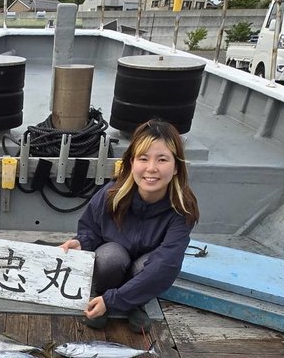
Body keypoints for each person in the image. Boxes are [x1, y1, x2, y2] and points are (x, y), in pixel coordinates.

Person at [60, 118, 199, 333]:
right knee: (110, 257)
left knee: (150, 265)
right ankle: (103, 295)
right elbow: (91, 229)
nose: (151, 168)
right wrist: (82, 242)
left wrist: (114, 300)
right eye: (143, 158)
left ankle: (131, 302)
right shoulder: (111, 194)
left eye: (162, 160)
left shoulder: (182, 209)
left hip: (143, 271)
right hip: (112, 267)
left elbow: (166, 264)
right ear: (131, 162)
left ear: (176, 168)